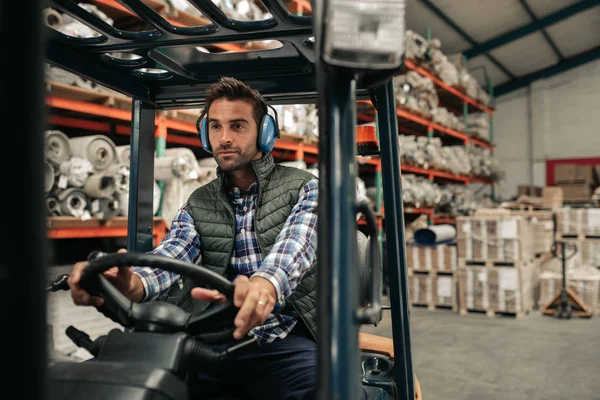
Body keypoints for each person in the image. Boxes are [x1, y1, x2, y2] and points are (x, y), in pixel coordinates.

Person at [67, 76, 319, 399]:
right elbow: (173, 253)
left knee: (324, 387)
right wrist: (132, 285)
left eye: (238, 126)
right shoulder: (199, 202)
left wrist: (263, 286)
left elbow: (294, 249)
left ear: (264, 133)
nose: (224, 138)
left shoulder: (305, 188)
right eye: (215, 127)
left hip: (286, 338)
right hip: (217, 339)